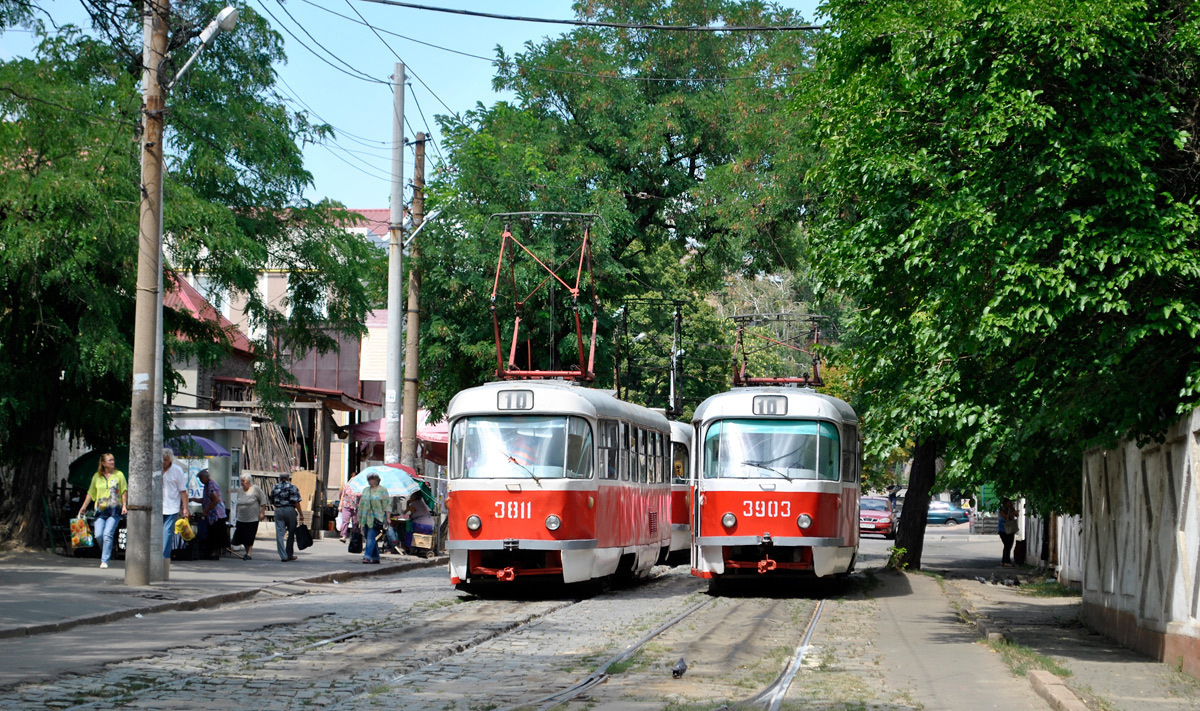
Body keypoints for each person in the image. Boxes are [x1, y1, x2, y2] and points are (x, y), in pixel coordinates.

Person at [77, 453, 127, 569]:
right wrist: (84, 506)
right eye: (109, 460)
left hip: (115, 509)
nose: (112, 462)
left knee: (107, 534)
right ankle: (108, 550)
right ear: (103, 463)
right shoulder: (97, 476)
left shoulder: (119, 475)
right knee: (98, 535)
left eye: (113, 460)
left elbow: (124, 490)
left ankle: (105, 560)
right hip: (100, 510)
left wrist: (124, 505)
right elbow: (91, 493)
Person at [232, 473, 267, 560]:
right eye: (241, 481)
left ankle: (249, 553)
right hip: (241, 517)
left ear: (249, 482)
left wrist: (262, 513)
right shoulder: (240, 490)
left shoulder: (255, 489)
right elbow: (238, 502)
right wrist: (236, 512)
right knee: (242, 536)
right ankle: (247, 552)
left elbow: (263, 501)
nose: (242, 483)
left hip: (252, 517)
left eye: (243, 481)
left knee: (250, 536)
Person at [357, 472, 390, 564]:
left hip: (377, 518)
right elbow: (361, 504)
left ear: (376, 480)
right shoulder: (366, 490)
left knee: (371, 537)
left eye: (372, 479)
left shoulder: (382, 490)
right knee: (368, 537)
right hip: (365, 517)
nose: (370, 481)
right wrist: (358, 517)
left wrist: (388, 518)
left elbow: (386, 504)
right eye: (369, 480)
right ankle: (376, 557)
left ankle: (367, 556)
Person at [162, 449, 189, 561]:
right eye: (162, 460)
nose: (163, 462)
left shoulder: (177, 470)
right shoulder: (155, 469)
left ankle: (164, 558)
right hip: (157, 507)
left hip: (172, 506)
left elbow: (183, 490)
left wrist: (185, 508)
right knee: (157, 533)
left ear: (170, 460)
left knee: (167, 532)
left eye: (166, 460)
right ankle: (157, 556)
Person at [270, 471, 302, 561]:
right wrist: (301, 514)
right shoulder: (293, 487)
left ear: (280, 479)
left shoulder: (275, 487)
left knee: (280, 534)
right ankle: (289, 554)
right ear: (288, 478)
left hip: (279, 510)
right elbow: (297, 502)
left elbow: (271, 500)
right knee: (291, 533)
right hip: (290, 510)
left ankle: (283, 556)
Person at [337, 472, 360, 543]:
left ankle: (354, 535)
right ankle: (343, 536)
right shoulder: (346, 485)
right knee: (345, 521)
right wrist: (340, 505)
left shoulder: (359, 486)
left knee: (356, 522)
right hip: (346, 505)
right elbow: (343, 496)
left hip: (356, 506)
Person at [998, 498, 1018, 567]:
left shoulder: (1010, 509)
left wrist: (1012, 509)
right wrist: (1012, 513)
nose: (1010, 504)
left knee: (1009, 545)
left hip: (1010, 529)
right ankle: (1007, 561)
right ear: (1005, 503)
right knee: (1007, 545)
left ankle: (1004, 561)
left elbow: (1016, 515)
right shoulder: (1002, 510)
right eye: (1008, 502)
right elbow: (1005, 517)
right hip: (1003, 530)